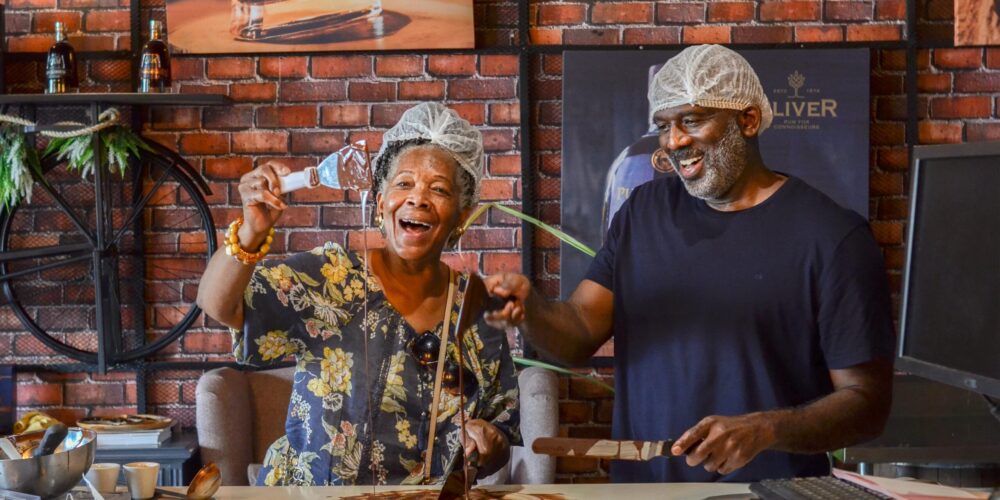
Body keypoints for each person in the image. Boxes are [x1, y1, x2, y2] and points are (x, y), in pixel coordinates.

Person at [485, 44, 894, 483]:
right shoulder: (642, 214)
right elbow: (580, 332)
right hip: (644, 496)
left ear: (748, 120)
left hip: (770, 496)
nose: (675, 140)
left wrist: (767, 428)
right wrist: (532, 312)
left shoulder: (831, 237)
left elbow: (866, 403)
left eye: (692, 120)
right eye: (664, 125)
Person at [197, 102, 520, 486]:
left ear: (461, 217)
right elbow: (219, 305)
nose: (417, 197)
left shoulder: (476, 310)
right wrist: (251, 228)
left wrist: (488, 439)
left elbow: (500, 434)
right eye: (403, 183)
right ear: (381, 203)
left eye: (439, 189)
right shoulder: (330, 278)